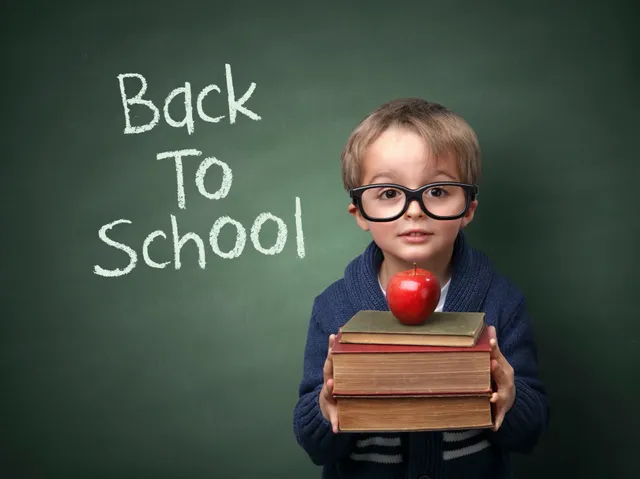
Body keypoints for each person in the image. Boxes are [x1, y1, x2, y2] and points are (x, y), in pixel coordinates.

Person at [292, 98, 549, 479]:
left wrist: (508, 401)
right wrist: (327, 408)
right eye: (389, 193)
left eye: (438, 191)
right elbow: (314, 444)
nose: (414, 210)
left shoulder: (501, 302)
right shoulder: (335, 307)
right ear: (360, 212)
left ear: (469, 208)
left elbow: (530, 431)